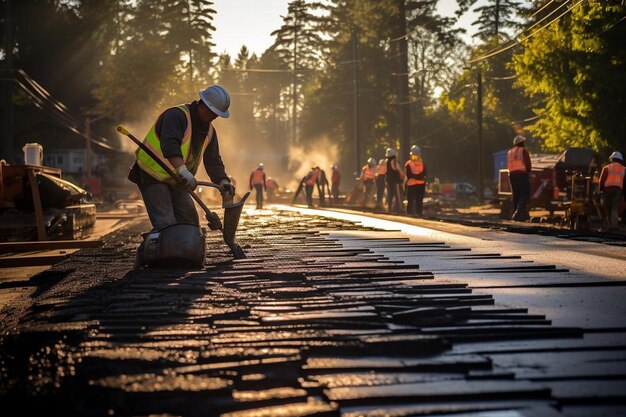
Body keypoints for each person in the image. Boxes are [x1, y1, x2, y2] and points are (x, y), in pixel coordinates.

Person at [128, 84, 235, 233]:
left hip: (178, 180)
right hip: (153, 175)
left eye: (218, 114)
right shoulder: (176, 116)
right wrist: (183, 171)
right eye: (213, 112)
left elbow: (213, 161)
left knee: (190, 223)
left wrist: (222, 181)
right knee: (167, 224)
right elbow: (170, 144)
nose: (216, 116)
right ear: (202, 105)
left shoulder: (209, 131)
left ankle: (186, 254)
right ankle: (158, 253)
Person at [598, 151, 625, 230]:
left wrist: (600, 189)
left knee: (607, 207)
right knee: (615, 207)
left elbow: (601, 180)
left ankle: (610, 224)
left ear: (612, 159)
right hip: (618, 190)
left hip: (607, 189)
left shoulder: (607, 167)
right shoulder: (624, 169)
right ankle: (614, 225)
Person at [507, 135, 531, 221]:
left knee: (516, 195)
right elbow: (528, 163)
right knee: (525, 194)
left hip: (512, 175)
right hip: (522, 174)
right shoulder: (523, 150)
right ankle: (517, 214)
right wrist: (528, 171)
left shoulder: (510, 152)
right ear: (522, 143)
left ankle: (516, 215)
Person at [405, 145, 427, 216]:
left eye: (415, 156)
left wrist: (414, 178)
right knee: (415, 200)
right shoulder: (422, 163)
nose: (414, 158)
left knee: (414, 200)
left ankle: (413, 213)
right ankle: (415, 213)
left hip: (414, 184)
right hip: (417, 184)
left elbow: (407, 175)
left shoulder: (410, 163)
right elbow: (424, 174)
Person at [385, 148, 404, 214]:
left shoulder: (386, 162)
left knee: (389, 195)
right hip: (395, 182)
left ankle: (390, 208)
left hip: (388, 181)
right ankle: (398, 208)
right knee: (397, 195)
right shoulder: (395, 162)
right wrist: (402, 177)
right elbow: (400, 171)